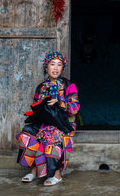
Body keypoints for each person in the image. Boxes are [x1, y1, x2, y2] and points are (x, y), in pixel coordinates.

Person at [16, 51, 80, 186]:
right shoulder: (41, 87)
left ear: (63, 68)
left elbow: (75, 108)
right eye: (52, 64)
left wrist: (60, 103)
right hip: (43, 123)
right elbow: (36, 106)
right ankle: (33, 170)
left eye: (59, 65)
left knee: (50, 135)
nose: (56, 68)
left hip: (63, 124)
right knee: (28, 132)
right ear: (46, 67)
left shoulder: (69, 86)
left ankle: (56, 174)